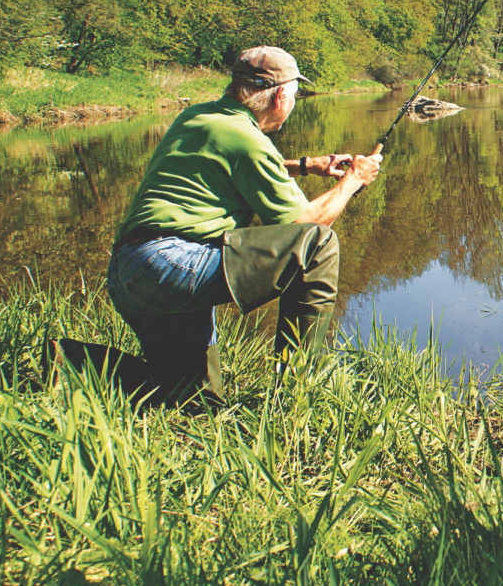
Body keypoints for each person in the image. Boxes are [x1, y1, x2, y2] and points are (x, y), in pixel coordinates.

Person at [52, 46, 382, 407]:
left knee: (196, 402)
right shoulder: (249, 140)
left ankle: (65, 360)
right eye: (295, 93)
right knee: (318, 245)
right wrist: (353, 179)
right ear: (282, 95)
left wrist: (305, 166)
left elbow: (226, 161)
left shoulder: (198, 117)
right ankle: (296, 394)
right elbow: (305, 225)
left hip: (129, 270)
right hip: (171, 263)